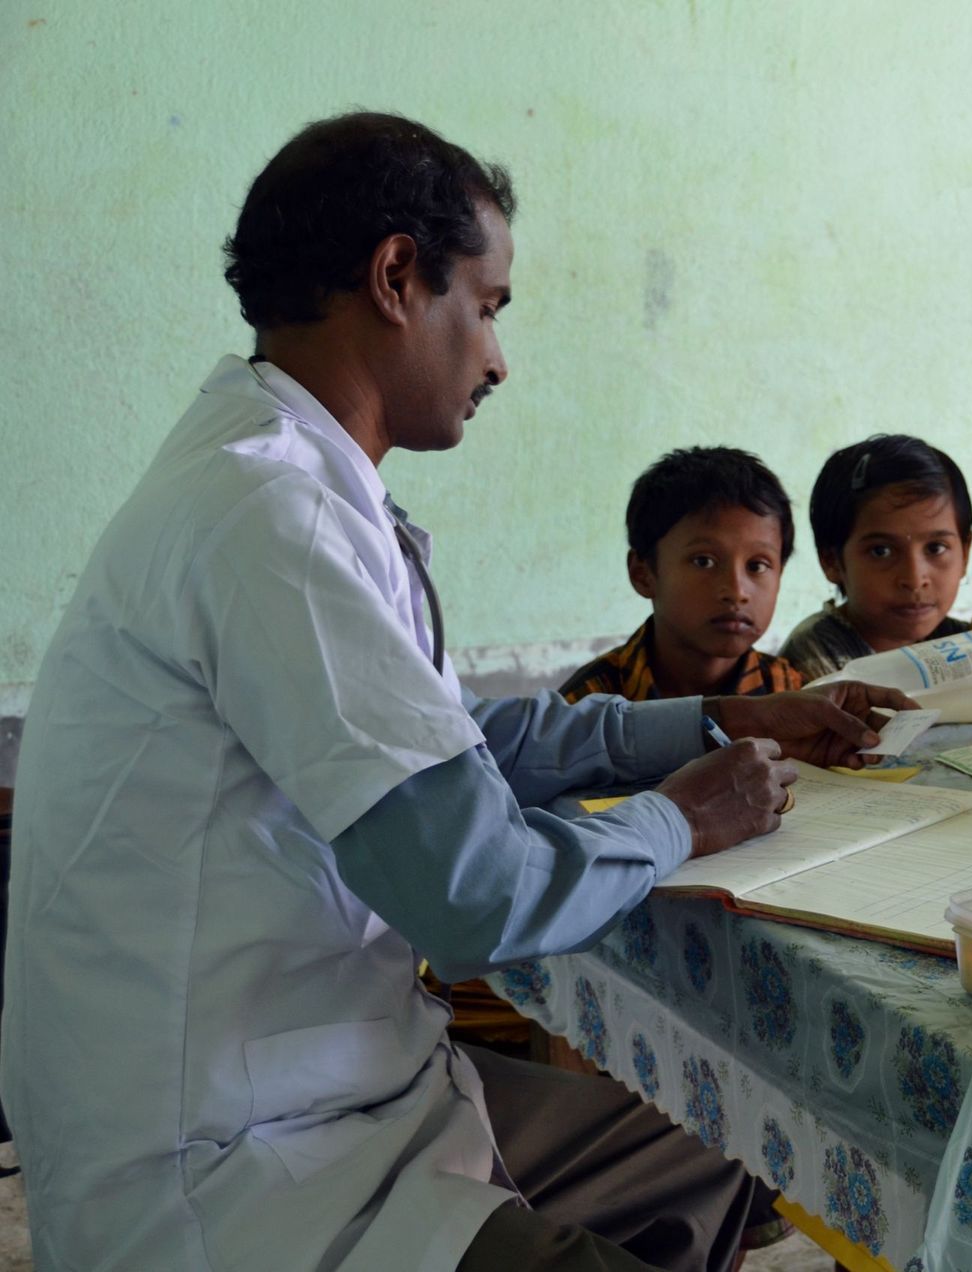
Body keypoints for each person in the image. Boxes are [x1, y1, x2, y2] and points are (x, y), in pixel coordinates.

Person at [0, 112, 909, 1272]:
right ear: (396, 278)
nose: (496, 358)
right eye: (485, 307)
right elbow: (479, 897)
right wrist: (685, 815)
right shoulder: (271, 517)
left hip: (344, 1086)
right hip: (233, 1164)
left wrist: (724, 717)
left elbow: (445, 740)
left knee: (723, 1144)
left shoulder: (288, 481)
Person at [560, 447, 805, 703]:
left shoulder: (795, 696)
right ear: (642, 574)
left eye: (757, 566)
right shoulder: (585, 709)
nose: (736, 592)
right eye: (704, 561)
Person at [780, 433, 972, 680]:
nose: (914, 579)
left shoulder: (965, 643)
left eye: (935, 548)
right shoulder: (816, 659)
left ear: (964, 553)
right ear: (831, 560)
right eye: (881, 551)